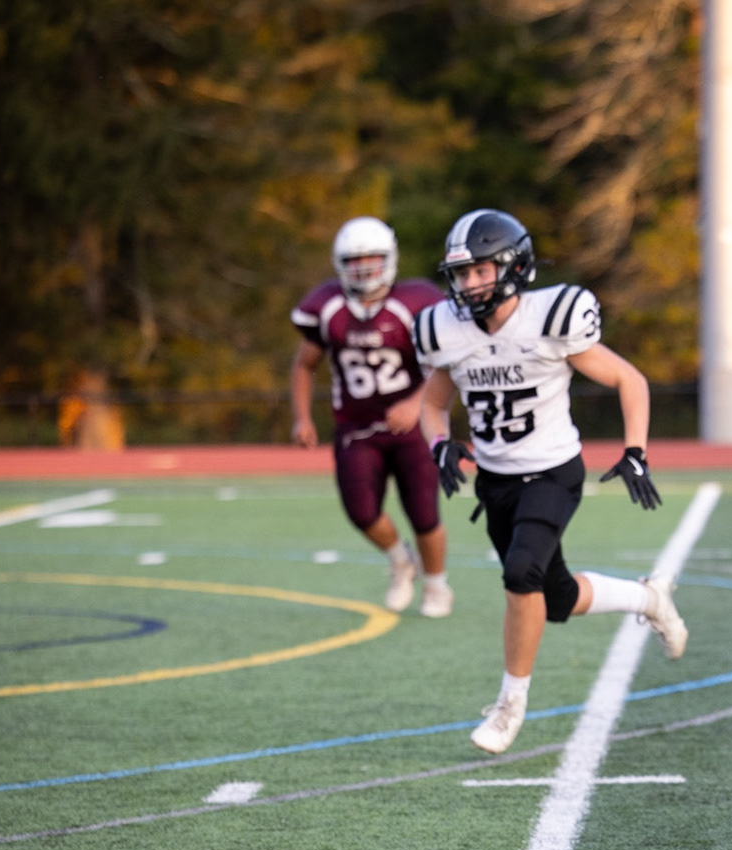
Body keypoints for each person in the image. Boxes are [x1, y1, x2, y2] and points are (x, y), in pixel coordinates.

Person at [415, 209, 687, 754]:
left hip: (553, 471)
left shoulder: (551, 317)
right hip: (495, 480)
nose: (468, 285)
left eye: (480, 271)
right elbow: (432, 403)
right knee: (552, 596)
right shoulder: (446, 331)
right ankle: (648, 597)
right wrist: (440, 443)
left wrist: (635, 450)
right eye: (461, 274)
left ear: (513, 267)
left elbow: (627, 378)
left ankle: (510, 704)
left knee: (521, 575)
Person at [290, 217, 453, 616]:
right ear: (339, 262)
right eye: (354, 259)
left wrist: (417, 402)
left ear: (390, 259)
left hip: (412, 428)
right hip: (357, 427)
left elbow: (446, 362)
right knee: (361, 511)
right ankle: (401, 561)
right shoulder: (327, 307)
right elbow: (303, 365)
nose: (363, 267)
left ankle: (436, 585)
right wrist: (301, 417)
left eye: (371, 258)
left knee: (424, 512)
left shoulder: (416, 302)